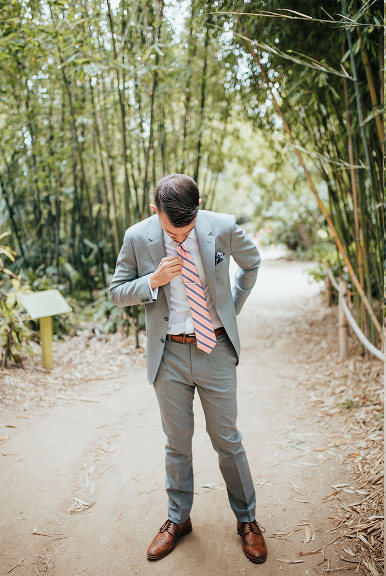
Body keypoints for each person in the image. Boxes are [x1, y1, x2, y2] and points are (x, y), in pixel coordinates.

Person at [109, 174, 267, 563]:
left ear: (199, 209)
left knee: (227, 439)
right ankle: (178, 520)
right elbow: (116, 292)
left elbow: (252, 263)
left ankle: (247, 520)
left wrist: (232, 307)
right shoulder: (136, 236)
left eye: (188, 229)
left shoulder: (224, 227)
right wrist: (153, 280)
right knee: (176, 443)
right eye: (171, 230)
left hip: (215, 348)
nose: (181, 238)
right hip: (170, 356)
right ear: (155, 212)